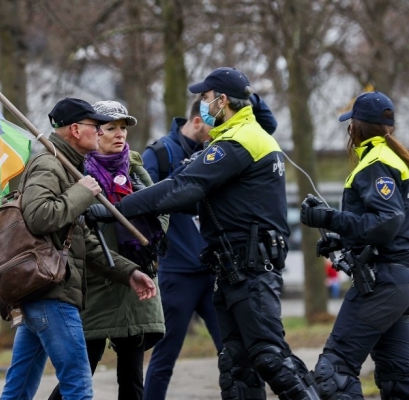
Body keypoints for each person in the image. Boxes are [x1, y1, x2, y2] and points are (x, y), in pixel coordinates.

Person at [87, 67, 319, 400]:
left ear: (223, 101)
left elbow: (184, 187)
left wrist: (117, 209)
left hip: (249, 269)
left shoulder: (237, 142)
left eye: (206, 98)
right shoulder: (241, 137)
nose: (202, 104)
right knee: (237, 366)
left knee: (270, 358)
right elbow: (202, 201)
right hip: (233, 268)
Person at [0, 97, 157, 400]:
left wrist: (129, 273)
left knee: (18, 389)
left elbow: (81, 238)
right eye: (95, 126)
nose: (101, 132)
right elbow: (39, 216)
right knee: (78, 385)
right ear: (75, 129)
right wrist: (81, 193)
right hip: (52, 290)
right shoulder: (50, 164)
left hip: (40, 291)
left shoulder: (69, 166)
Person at [142, 94, 278, 400]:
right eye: (213, 125)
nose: (220, 128)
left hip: (216, 269)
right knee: (166, 354)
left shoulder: (219, 147)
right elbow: (147, 201)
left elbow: (267, 126)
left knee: (234, 352)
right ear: (197, 121)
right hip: (179, 272)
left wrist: (251, 95)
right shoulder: (160, 154)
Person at [48, 100, 166, 400]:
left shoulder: (135, 168)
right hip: (94, 282)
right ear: (93, 132)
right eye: (111, 128)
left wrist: (136, 215)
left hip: (134, 282)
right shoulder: (75, 170)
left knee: (132, 379)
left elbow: (163, 211)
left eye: (123, 128)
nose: (119, 135)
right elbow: (66, 222)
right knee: (80, 371)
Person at [300, 91, 409, 399]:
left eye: (350, 123)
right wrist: (342, 239)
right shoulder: (397, 159)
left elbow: (387, 222)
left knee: (334, 372)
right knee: (399, 378)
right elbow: (395, 227)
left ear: (356, 127)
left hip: (383, 282)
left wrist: (330, 218)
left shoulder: (376, 163)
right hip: (400, 283)